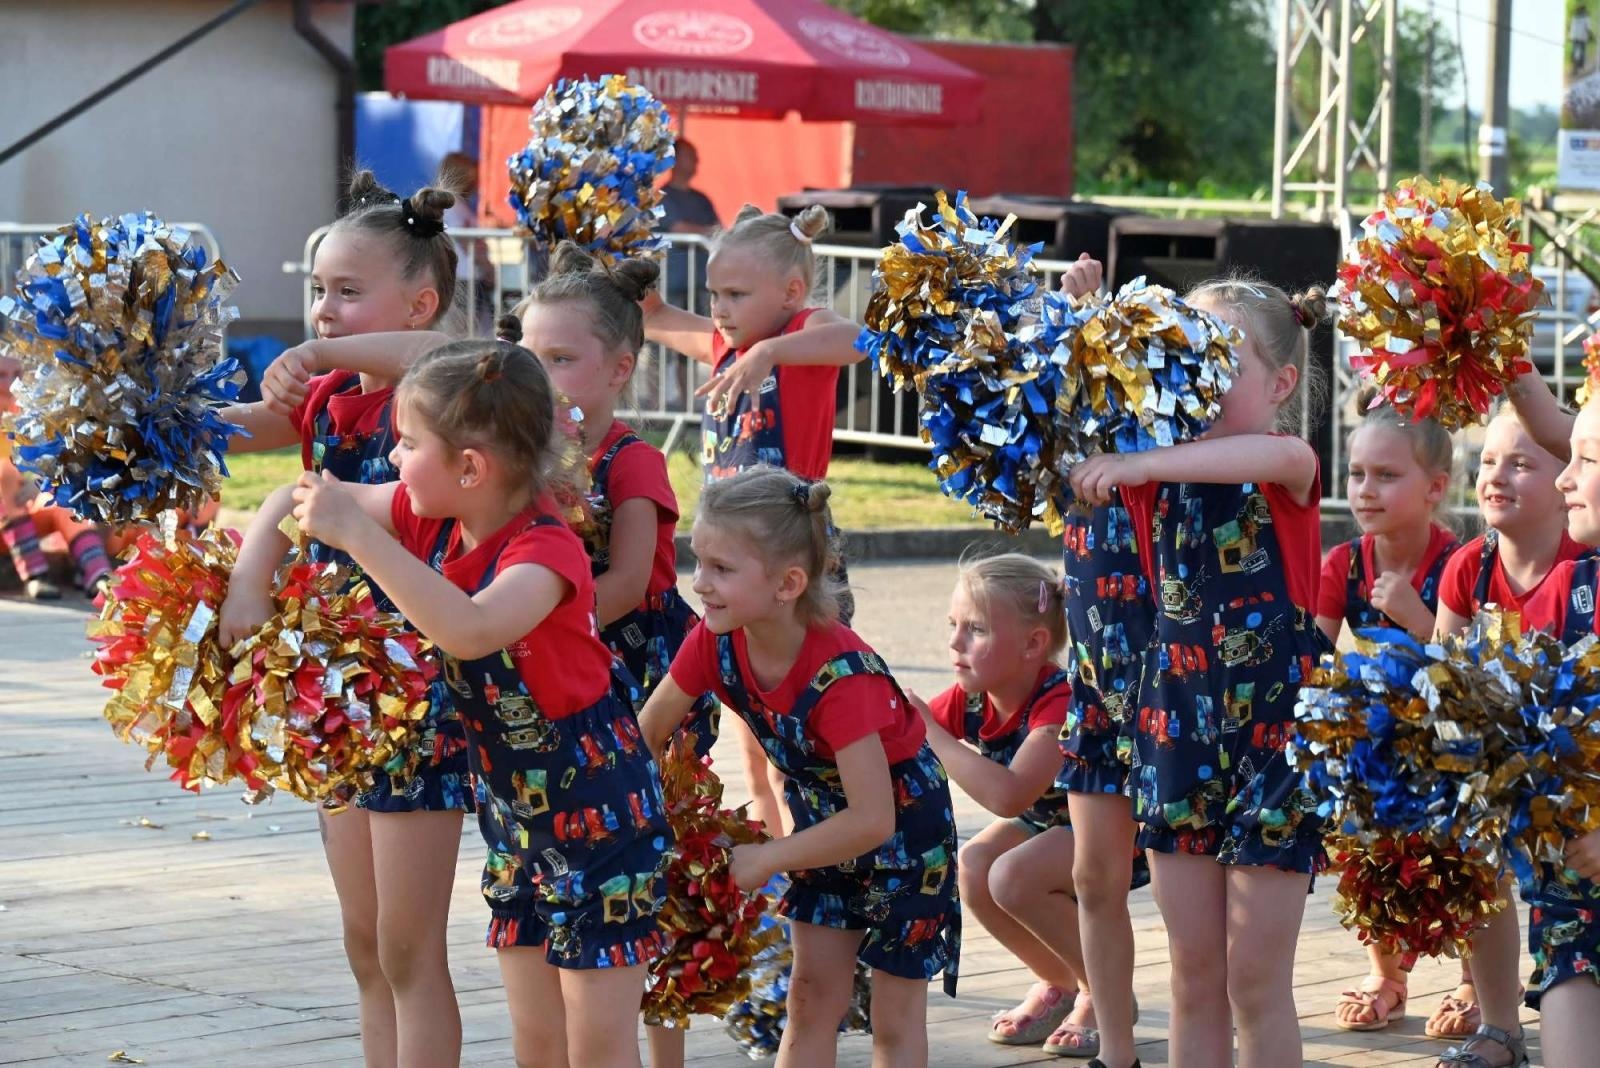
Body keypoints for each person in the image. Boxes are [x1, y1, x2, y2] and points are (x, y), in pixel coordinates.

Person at [228, 338, 673, 1068]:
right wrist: (259, 572)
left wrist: (358, 536)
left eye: (408, 444)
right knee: (538, 1039)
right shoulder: (433, 513)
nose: (392, 458)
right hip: (516, 816)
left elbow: (468, 629)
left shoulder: (545, 553)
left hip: (600, 820)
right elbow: (308, 498)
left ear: (470, 468)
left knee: (596, 1045)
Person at [217, 170, 474, 1068]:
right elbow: (249, 430)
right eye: (318, 289)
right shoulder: (329, 394)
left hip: (419, 697)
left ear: (419, 300)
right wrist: (141, 422)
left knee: (409, 950)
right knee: (365, 944)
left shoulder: (440, 392)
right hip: (340, 697)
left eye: (348, 291)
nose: (324, 310)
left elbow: (451, 351)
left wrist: (320, 351)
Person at [1070, 277, 1331, 1068]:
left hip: (1276, 740)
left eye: (1220, 361)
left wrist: (1140, 461)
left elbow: (1259, 454)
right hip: (1174, 725)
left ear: (1281, 384)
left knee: (1254, 981)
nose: (1197, 379)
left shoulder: (1287, 459)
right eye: (1183, 359)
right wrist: (1096, 320)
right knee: (1193, 975)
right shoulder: (1152, 474)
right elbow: (1095, 389)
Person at [638, 465, 959, 1068]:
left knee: (893, 1017)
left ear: (788, 583)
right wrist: (651, 829)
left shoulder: (842, 678)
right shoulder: (714, 639)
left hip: (906, 837)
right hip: (820, 826)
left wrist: (768, 858)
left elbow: (873, 819)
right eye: (698, 561)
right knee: (810, 999)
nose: (699, 583)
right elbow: (648, 734)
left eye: (722, 568)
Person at [508, 244, 717, 1068]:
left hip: (639, 681)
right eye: (529, 355)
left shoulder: (632, 460)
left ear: (620, 368)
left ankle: (662, 1052)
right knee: (565, 870)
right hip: (556, 679)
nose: (541, 373)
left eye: (562, 358)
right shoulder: (523, 459)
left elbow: (628, 583)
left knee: (647, 872)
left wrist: (525, 615)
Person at [640, 203, 862, 837]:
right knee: (742, 686)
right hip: (733, 553)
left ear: (790, 292)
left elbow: (858, 340)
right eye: (714, 294)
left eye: (736, 294)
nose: (719, 309)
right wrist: (628, 266)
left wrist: (771, 351)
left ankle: (821, 822)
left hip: (790, 546)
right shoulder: (724, 346)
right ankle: (768, 823)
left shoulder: (803, 335)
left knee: (804, 681)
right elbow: (654, 316)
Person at [1419, 403, 1582, 1068]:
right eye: (1488, 461)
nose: (1496, 475)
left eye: (1520, 463)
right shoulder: (1470, 566)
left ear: (1567, 480)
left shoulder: (1587, 565)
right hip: (1495, 758)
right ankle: (1500, 1027)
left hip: (1577, 773)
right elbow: (1442, 673)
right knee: (1474, 860)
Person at [1312, 404, 1463, 1033]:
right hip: (1376, 741)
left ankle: (1475, 981)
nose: (1365, 490)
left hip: (1452, 738)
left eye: (1387, 475)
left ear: (1435, 487)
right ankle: (1387, 975)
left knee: (1460, 855)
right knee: (1368, 850)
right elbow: (1314, 659)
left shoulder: (1464, 562)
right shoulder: (1344, 563)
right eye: (1357, 474)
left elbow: (1472, 668)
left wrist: (1416, 618)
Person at [907, 553, 1089, 1053]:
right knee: (973, 866)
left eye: (976, 629)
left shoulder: (1059, 701)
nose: (955, 642)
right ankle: (1058, 981)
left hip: (1106, 831)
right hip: (1047, 825)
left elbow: (1009, 795)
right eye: (954, 625)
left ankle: (1102, 990)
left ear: (1033, 644)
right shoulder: (974, 695)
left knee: (1011, 876)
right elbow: (902, 737)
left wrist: (932, 735)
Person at [0, 353, 114, 600]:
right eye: (1, 376)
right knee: (6, 473)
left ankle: (97, 574)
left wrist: (41, 484)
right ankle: (35, 575)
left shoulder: (32, 418)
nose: (10, 384)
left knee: (63, 494)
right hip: (5, 513)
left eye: (17, 375)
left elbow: (55, 465)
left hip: (23, 516)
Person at [658, 139, 720, 313]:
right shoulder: (661, 197)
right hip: (672, 282)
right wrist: (708, 232)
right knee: (672, 326)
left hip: (703, 282)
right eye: (689, 155)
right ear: (674, 159)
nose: (696, 160)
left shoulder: (702, 199)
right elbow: (679, 228)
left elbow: (719, 229)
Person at [441, 150, 498, 335]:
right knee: (467, 330)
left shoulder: (450, 204)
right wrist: (488, 268)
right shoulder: (453, 205)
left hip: (464, 275)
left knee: (468, 328)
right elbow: (467, 241)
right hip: (465, 276)